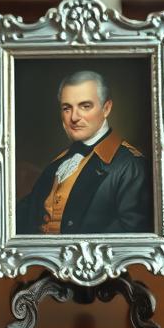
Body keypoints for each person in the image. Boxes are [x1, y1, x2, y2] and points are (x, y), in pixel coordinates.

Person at [16, 70, 152, 235]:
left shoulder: (131, 165)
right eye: (67, 108)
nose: (74, 117)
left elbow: (133, 240)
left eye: (85, 106)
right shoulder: (60, 162)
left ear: (106, 108)